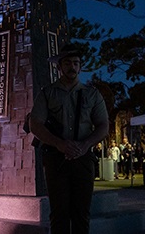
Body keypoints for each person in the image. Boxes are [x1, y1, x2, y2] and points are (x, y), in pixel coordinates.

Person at [30, 43, 109, 234]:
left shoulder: (92, 94)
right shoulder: (47, 93)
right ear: (59, 67)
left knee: (82, 213)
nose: (72, 67)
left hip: (83, 158)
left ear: (80, 66)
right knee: (59, 213)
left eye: (76, 63)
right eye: (67, 63)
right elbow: (35, 124)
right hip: (56, 159)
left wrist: (84, 145)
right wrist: (59, 144)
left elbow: (103, 126)